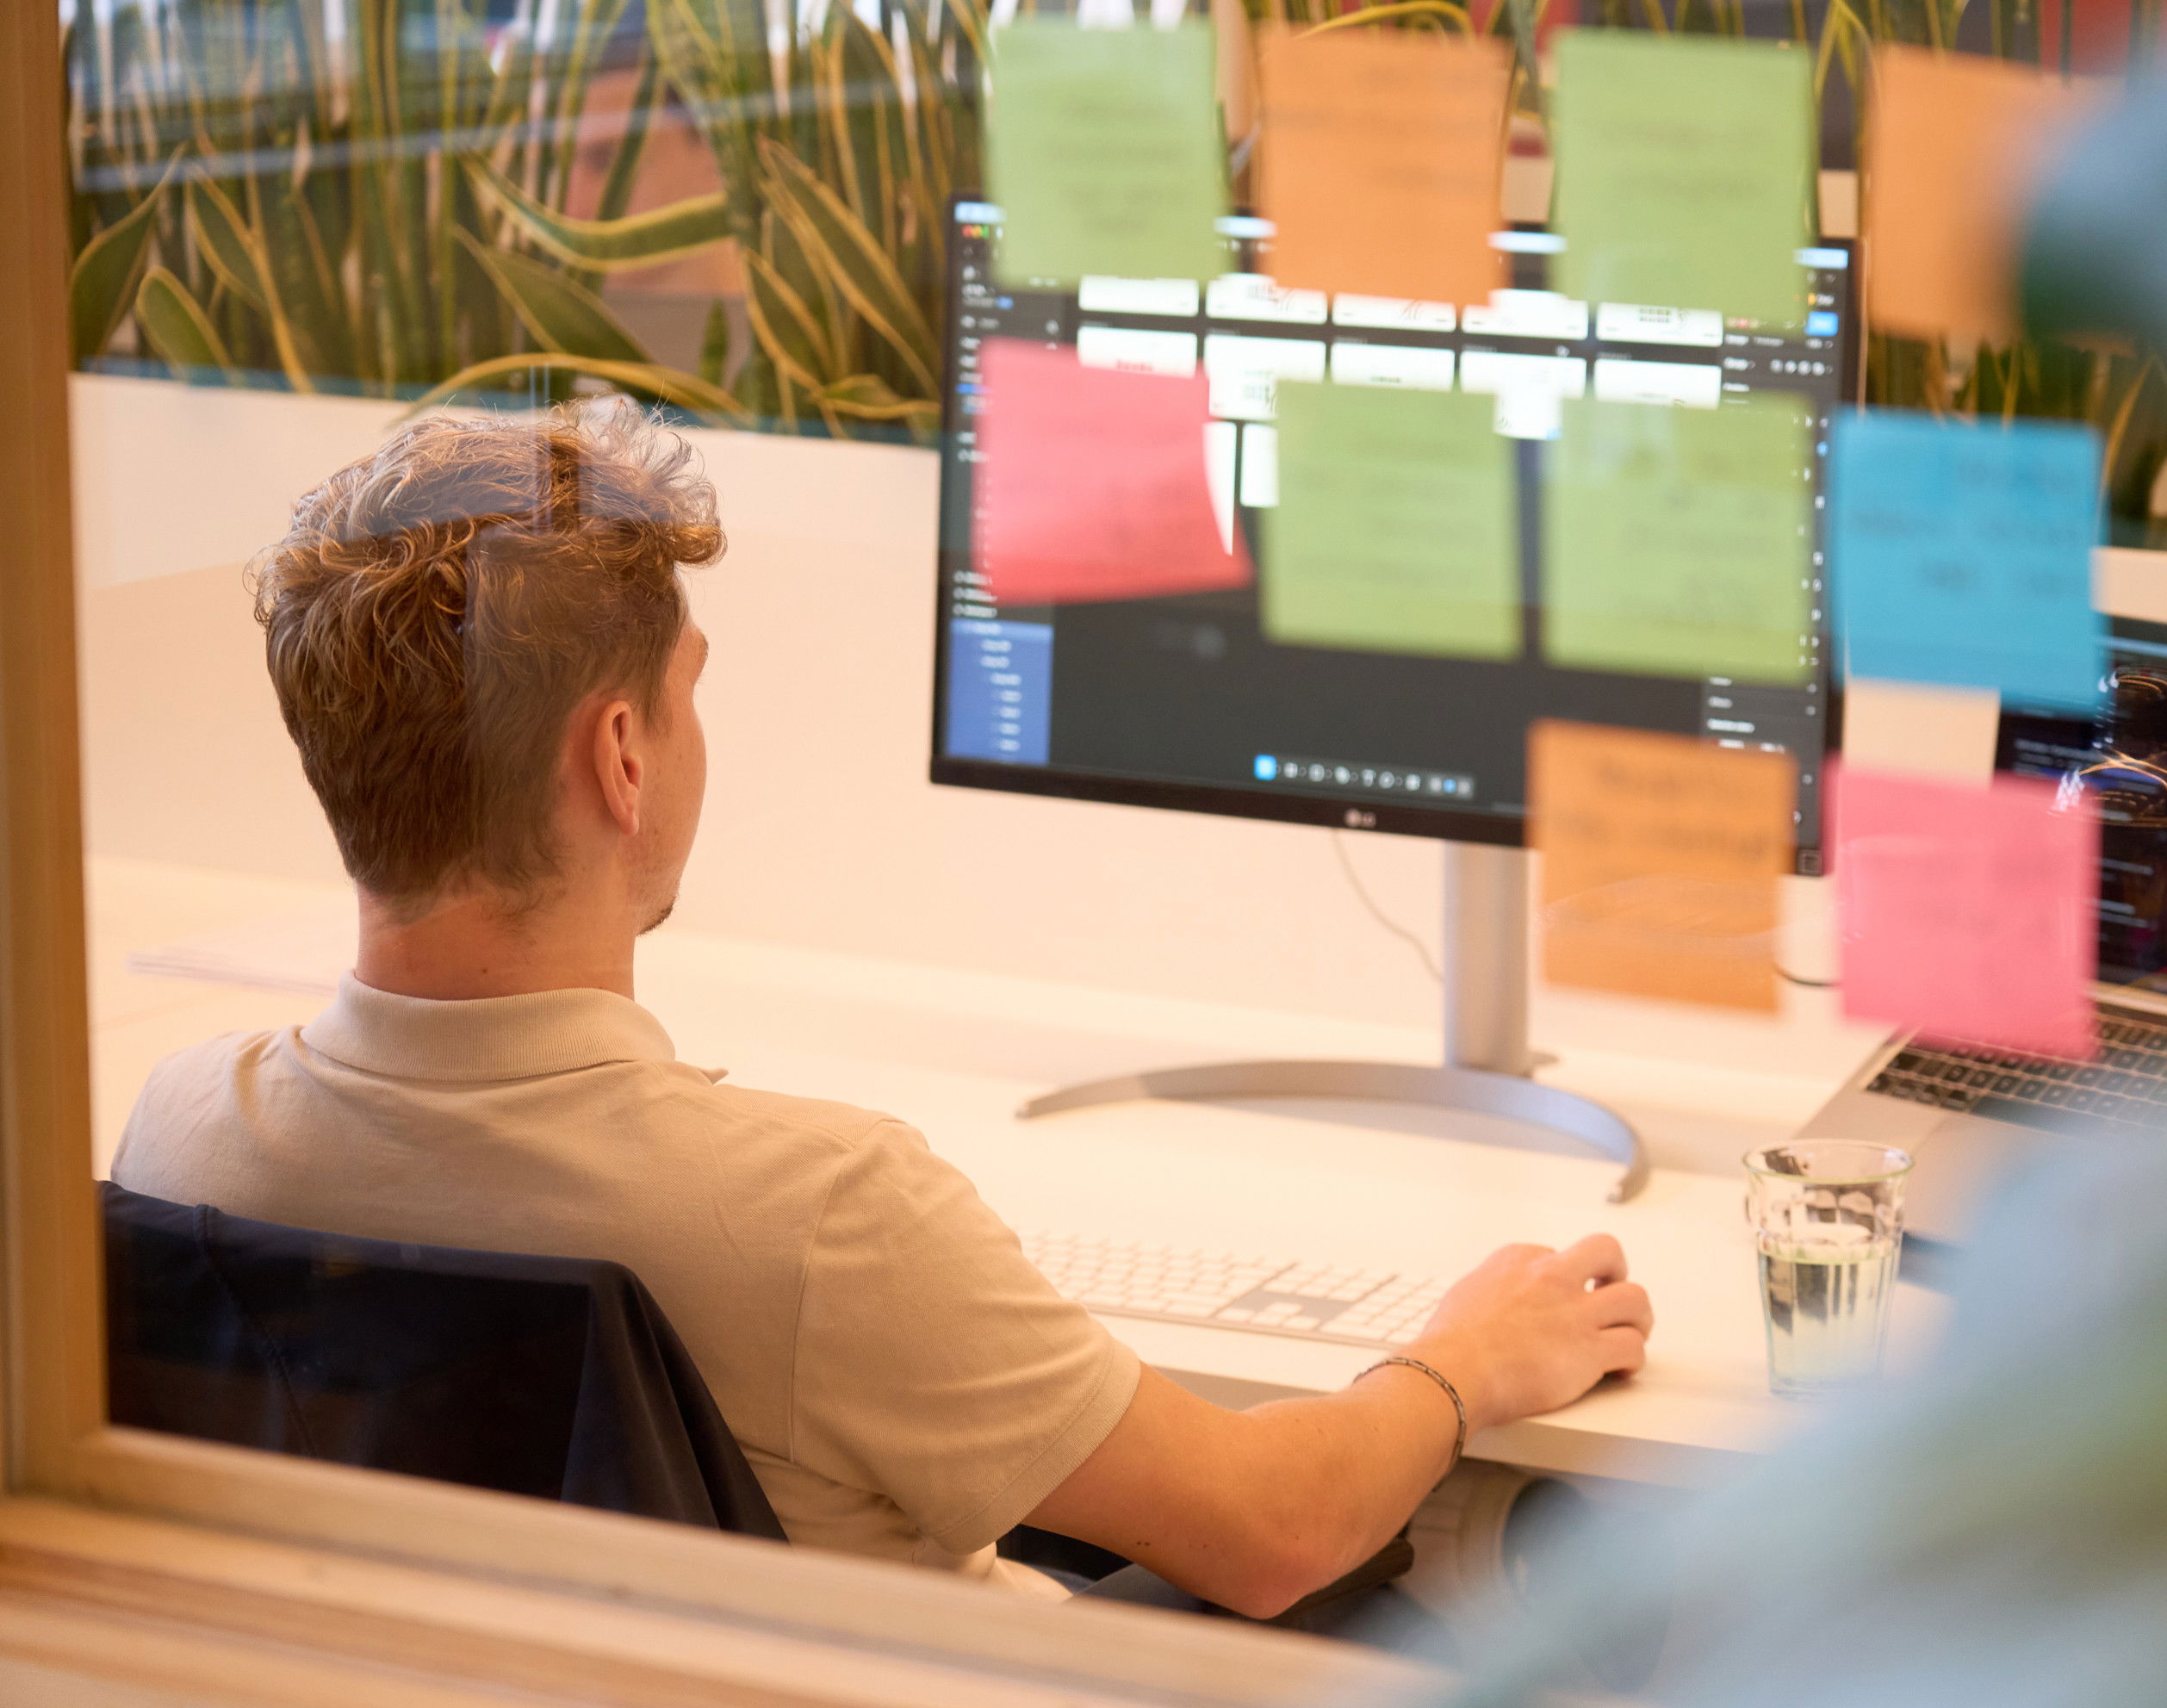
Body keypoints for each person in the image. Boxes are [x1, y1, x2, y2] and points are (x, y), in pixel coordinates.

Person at [109, 401, 1653, 1618]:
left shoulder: (184, 1138)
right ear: (623, 757)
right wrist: (1464, 1361)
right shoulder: (820, 1213)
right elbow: (1272, 1530)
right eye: (689, 694)